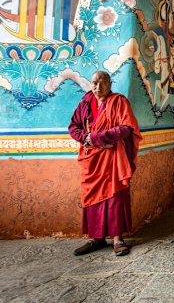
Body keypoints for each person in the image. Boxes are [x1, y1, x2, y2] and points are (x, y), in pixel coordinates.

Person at [68, 71, 142, 256]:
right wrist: (88, 139)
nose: (97, 87)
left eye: (102, 83)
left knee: (115, 196)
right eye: (94, 83)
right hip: (92, 159)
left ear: (110, 84)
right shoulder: (85, 103)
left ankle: (118, 239)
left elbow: (127, 128)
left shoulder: (119, 102)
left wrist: (98, 137)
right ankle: (97, 238)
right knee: (92, 198)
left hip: (113, 158)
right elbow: (73, 127)